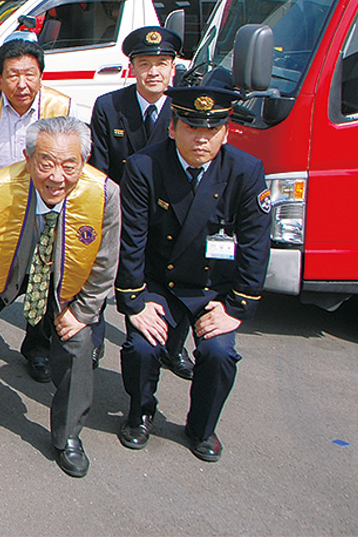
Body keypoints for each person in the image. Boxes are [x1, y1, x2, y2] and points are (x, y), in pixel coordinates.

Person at [0, 116, 119, 478]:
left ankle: (68, 436)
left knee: (80, 342)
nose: (57, 177)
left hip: (65, 278)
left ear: (84, 161)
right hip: (5, 270)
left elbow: (105, 263)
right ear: (28, 158)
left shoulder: (105, 195)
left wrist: (83, 312)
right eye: (46, 163)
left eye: (69, 165)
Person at [115, 84, 270, 463]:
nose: (201, 139)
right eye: (191, 127)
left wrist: (235, 308)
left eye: (212, 129)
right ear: (172, 128)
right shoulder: (145, 166)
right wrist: (134, 301)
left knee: (219, 353)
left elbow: (255, 246)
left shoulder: (246, 171)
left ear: (226, 132)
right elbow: (131, 241)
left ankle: (201, 427)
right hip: (160, 282)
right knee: (141, 346)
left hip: (212, 287)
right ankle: (141, 412)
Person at [0, 37, 80, 383]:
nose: (21, 84)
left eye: (29, 74)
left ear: (41, 75)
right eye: (12, 75)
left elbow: (76, 165)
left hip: (46, 210)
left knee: (42, 277)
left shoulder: (62, 106)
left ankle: (37, 347)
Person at [89, 25, 193, 377]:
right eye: (145, 64)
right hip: (119, 211)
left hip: (170, 214)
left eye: (161, 64)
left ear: (173, 68)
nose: (153, 72)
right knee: (101, 275)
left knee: (175, 281)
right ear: (131, 68)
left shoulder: (184, 108)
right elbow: (100, 168)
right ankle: (93, 339)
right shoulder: (109, 106)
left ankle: (173, 346)